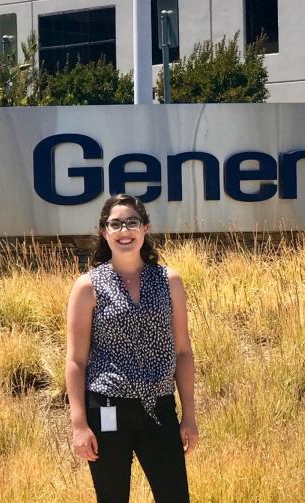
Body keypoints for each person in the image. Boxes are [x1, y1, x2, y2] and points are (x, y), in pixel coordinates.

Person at [65, 193, 198, 503]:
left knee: (175, 497)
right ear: (104, 232)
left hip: (159, 407)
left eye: (132, 223)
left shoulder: (169, 280)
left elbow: (183, 352)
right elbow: (75, 360)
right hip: (108, 408)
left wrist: (189, 416)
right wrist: (79, 424)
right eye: (116, 224)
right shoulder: (88, 286)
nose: (124, 231)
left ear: (145, 229)